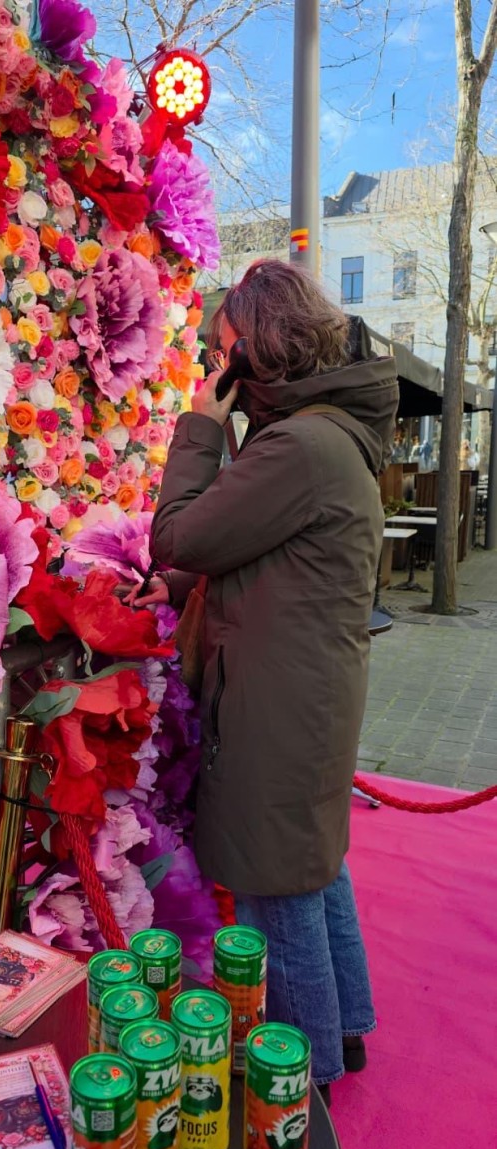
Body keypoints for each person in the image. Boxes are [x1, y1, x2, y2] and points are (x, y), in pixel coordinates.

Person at [133, 260, 399, 1102]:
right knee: (313, 870)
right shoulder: (324, 436)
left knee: (274, 893)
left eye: (222, 352)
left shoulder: (298, 445)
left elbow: (180, 536)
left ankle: (305, 1076)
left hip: (278, 705)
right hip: (305, 694)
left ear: (255, 348)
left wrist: (198, 430)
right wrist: (179, 591)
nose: (216, 373)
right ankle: (346, 1034)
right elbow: (253, 551)